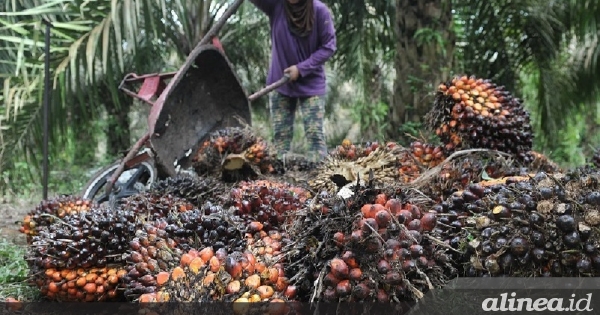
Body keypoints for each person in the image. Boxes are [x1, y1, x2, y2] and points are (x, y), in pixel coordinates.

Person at [249, 0, 337, 162]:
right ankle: (278, 183)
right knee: (280, 140)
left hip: (311, 85)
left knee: (315, 136)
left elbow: (329, 46)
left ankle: (318, 181)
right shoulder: (275, 6)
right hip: (280, 83)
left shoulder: (319, 11)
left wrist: (301, 68)